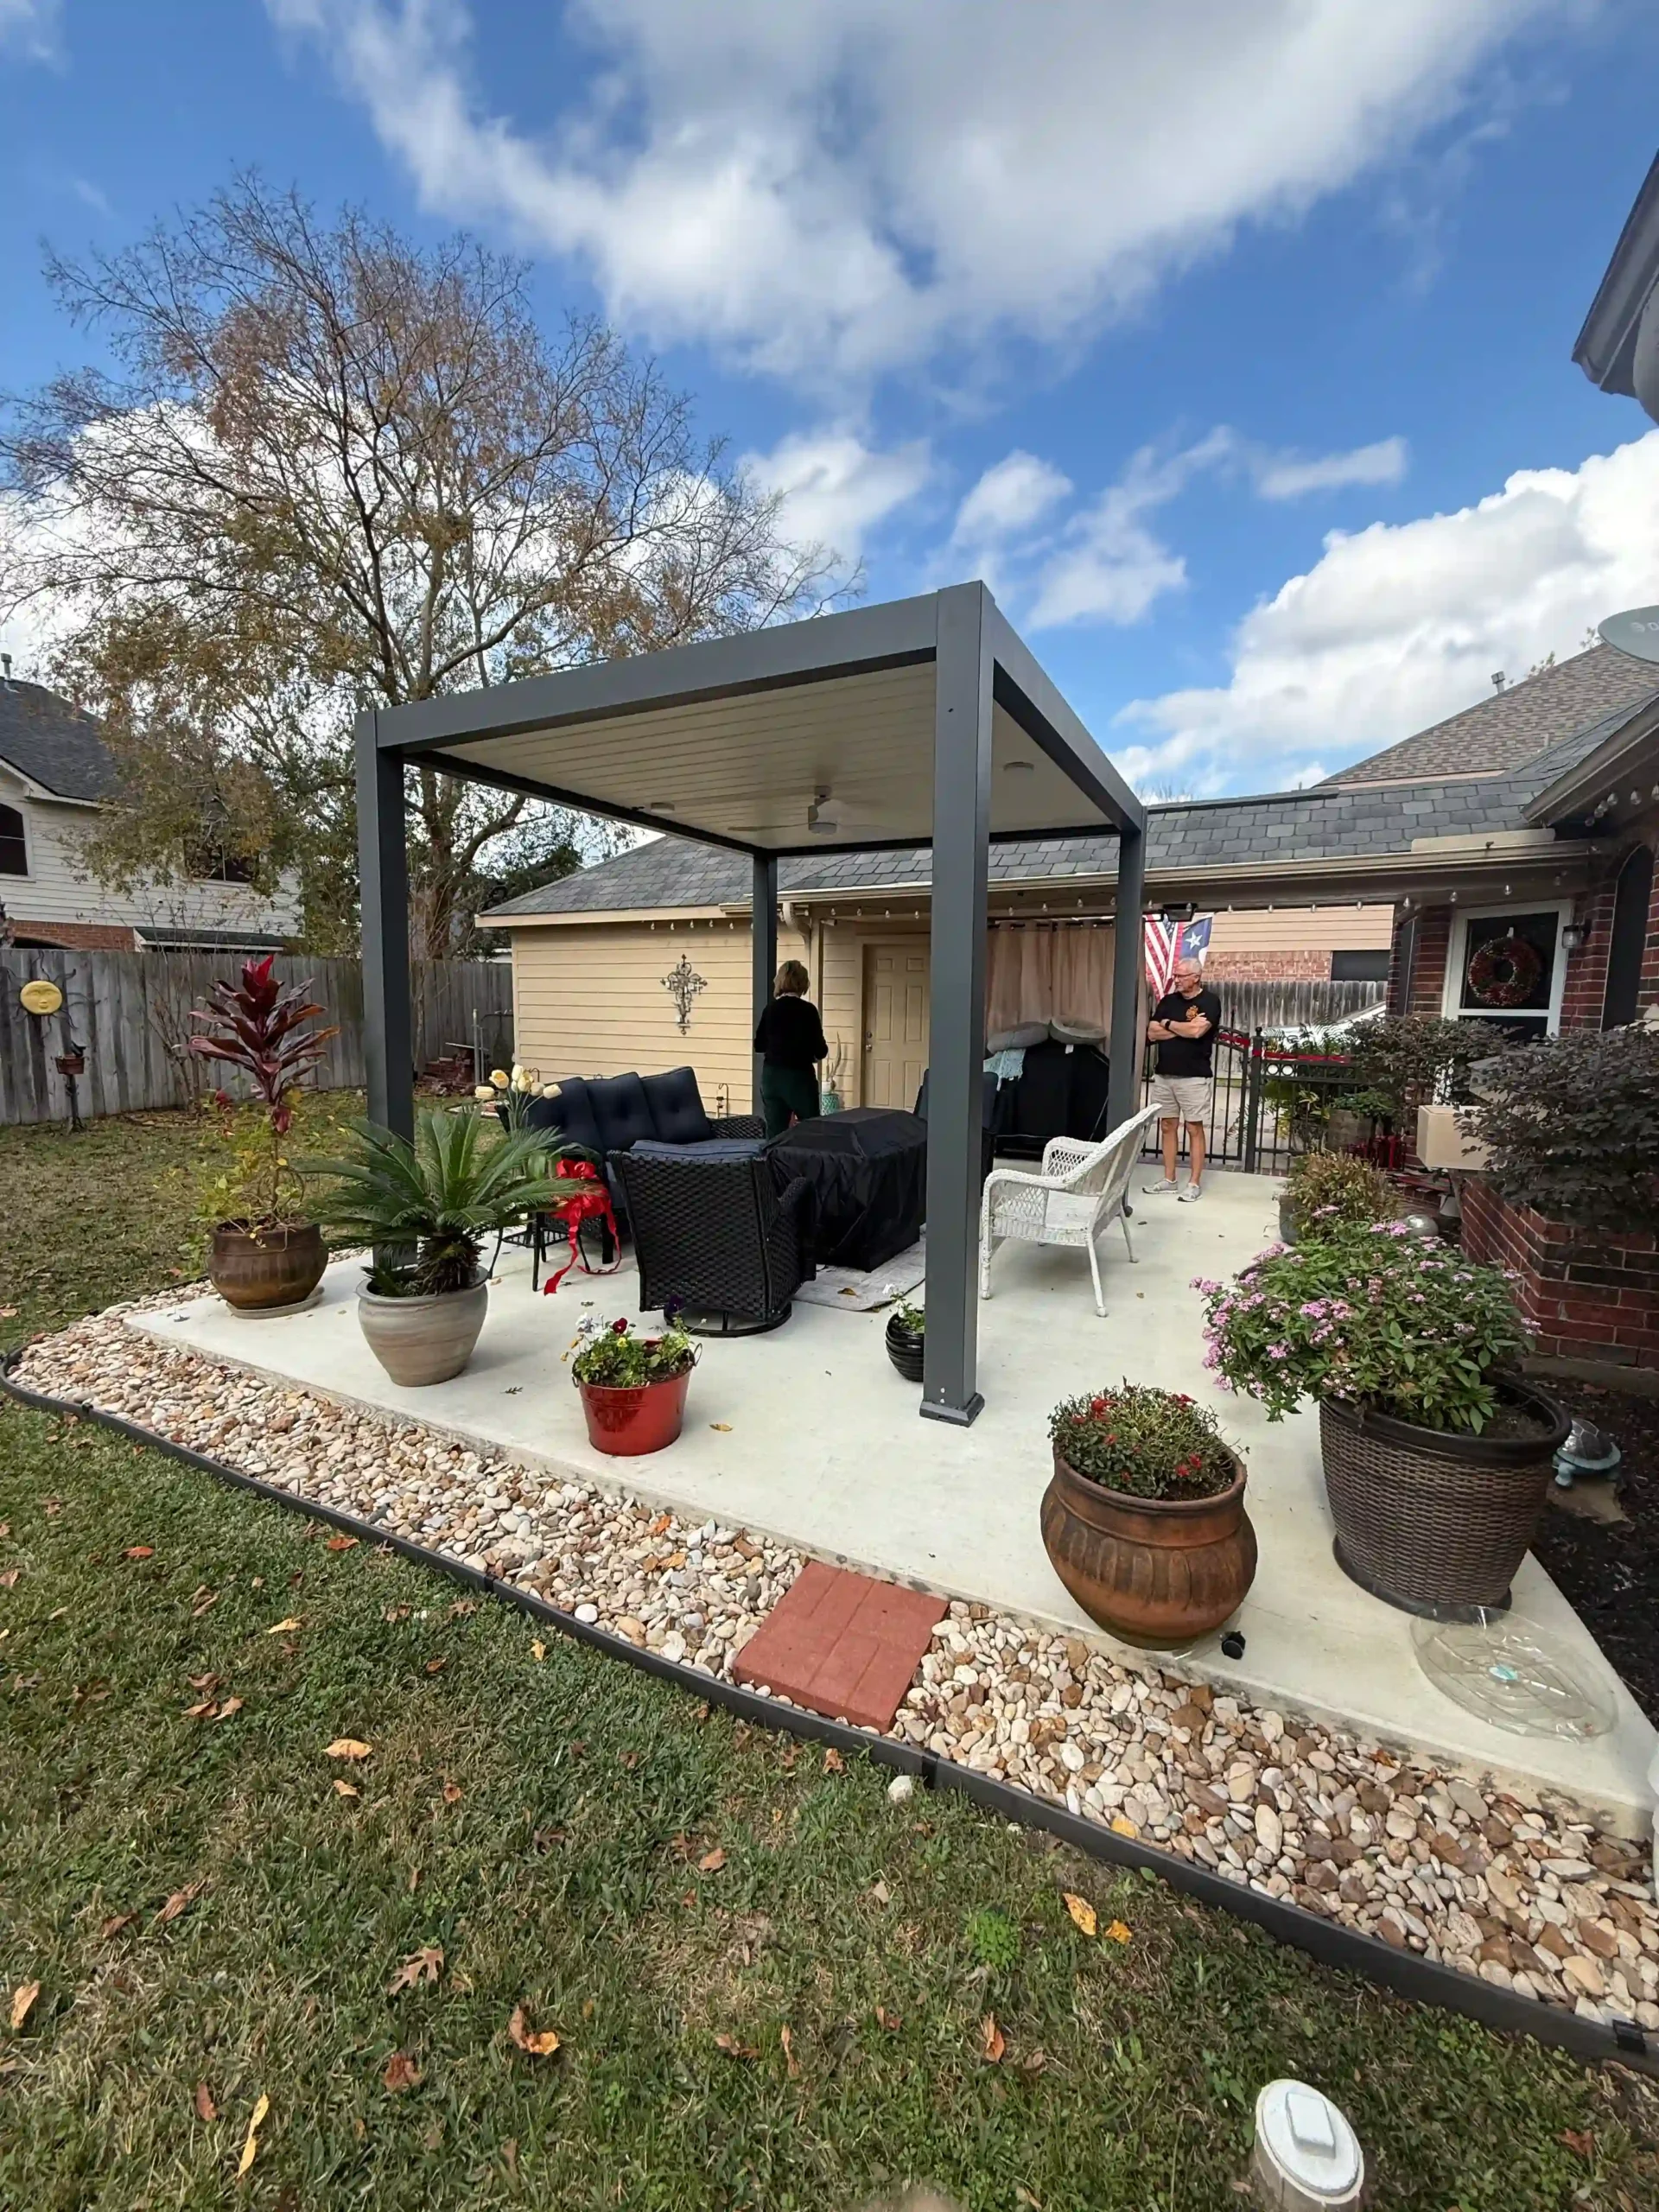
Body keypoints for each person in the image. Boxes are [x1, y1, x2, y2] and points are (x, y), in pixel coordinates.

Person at [1142, 956, 1221, 1202]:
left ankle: (1194, 1183)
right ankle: (1169, 1179)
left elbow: (1198, 1031)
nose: (1175, 979)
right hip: (1164, 1074)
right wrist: (1179, 1027)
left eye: (1181, 976)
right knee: (1167, 1126)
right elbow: (1152, 1032)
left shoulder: (1209, 1001)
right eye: (1175, 975)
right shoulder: (1168, 1001)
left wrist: (1169, 1026)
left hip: (1194, 1076)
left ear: (1196, 977)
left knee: (1194, 1127)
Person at [753, 958, 828, 1139]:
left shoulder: (770, 1009)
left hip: (771, 1077)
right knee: (811, 1131)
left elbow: (759, 1045)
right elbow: (821, 1051)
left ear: (779, 981)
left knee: (775, 1134)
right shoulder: (808, 1011)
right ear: (803, 982)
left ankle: (773, 1165)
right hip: (799, 1078)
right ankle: (806, 1165)